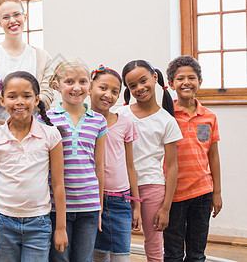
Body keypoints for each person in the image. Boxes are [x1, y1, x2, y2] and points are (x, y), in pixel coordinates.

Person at [0, 71, 67, 261]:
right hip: (2, 221)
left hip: (39, 223)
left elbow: (58, 184)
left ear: (37, 100)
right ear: (2, 101)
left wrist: (60, 228)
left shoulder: (51, 135)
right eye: (12, 96)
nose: (19, 101)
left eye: (26, 96)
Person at [116, 60, 182, 262]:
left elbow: (171, 167)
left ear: (155, 78)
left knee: (153, 246)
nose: (139, 88)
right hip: (122, 188)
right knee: (117, 243)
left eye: (143, 81)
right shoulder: (121, 114)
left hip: (152, 188)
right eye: (132, 86)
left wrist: (166, 208)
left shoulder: (167, 120)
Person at [45, 60, 107, 262]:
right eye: (69, 81)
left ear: (90, 85)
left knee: (84, 259)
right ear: (57, 84)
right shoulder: (46, 119)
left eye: (82, 81)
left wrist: (99, 207)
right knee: (59, 259)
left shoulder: (98, 120)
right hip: (56, 206)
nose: (76, 87)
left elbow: (99, 166)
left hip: (89, 206)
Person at [163, 56, 222, 261]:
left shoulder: (209, 116)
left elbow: (213, 155)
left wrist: (217, 192)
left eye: (191, 77)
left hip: (203, 193)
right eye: (180, 78)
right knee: (173, 253)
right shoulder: (166, 116)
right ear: (171, 84)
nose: (186, 82)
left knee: (197, 253)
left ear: (200, 82)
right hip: (174, 195)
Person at [0, 0, 54, 133]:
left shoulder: (42, 57)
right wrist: (30, 97)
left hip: (33, 130)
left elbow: (46, 100)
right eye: (6, 17)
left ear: (25, 16)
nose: (12, 20)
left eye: (16, 14)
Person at [89, 65, 141, 262]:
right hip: (91, 199)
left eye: (114, 91)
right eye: (103, 88)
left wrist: (135, 206)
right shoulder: (83, 122)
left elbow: (130, 165)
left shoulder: (125, 123)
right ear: (90, 87)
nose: (108, 95)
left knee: (121, 256)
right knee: (97, 255)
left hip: (120, 200)